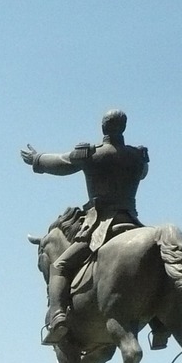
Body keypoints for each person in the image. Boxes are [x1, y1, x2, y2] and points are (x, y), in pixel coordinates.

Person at [21, 110, 150, 345]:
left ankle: (58, 317)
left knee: (60, 265)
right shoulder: (139, 156)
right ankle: (160, 326)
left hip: (100, 225)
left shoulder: (92, 154)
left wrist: (37, 159)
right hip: (132, 223)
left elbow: (62, 163)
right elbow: (142, 174)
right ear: (124, 127)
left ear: (103, 128)